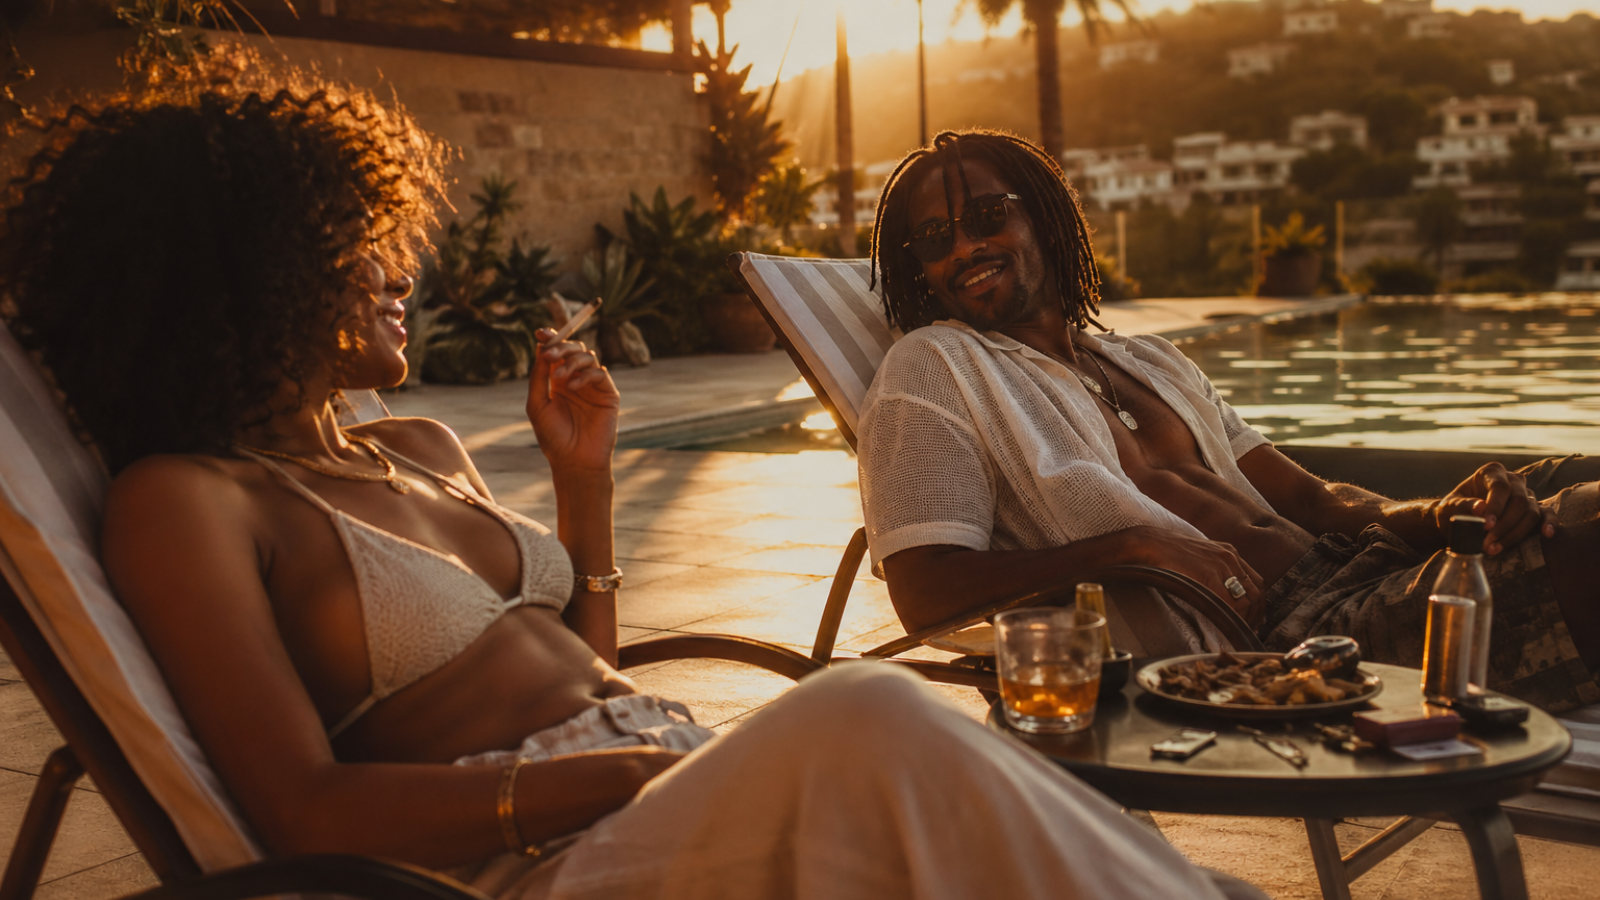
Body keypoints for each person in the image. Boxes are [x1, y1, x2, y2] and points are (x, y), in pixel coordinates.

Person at [0, 70, 1263, 900]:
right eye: (359, 245)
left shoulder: (413, 450)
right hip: (538, 859)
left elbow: (588, 669)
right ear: (246, 274)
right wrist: (610, 778)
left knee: (961, 791)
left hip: (658, 785)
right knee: (870, 718)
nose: (400, 269)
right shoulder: (187, 502)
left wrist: (583, 488)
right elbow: (297, 807)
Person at [858, 128, 1600, 712]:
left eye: (988, 217)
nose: (965, 247)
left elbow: (1316, 502)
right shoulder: (937, 367)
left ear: (1047, 221)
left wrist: (1441, 513)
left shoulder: (1150, 362)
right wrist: (1137, 546)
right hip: (1292, 646)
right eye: (935, 238)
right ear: (916, 267)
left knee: (1561, 485)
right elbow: (924, 592)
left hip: (1360, 565)